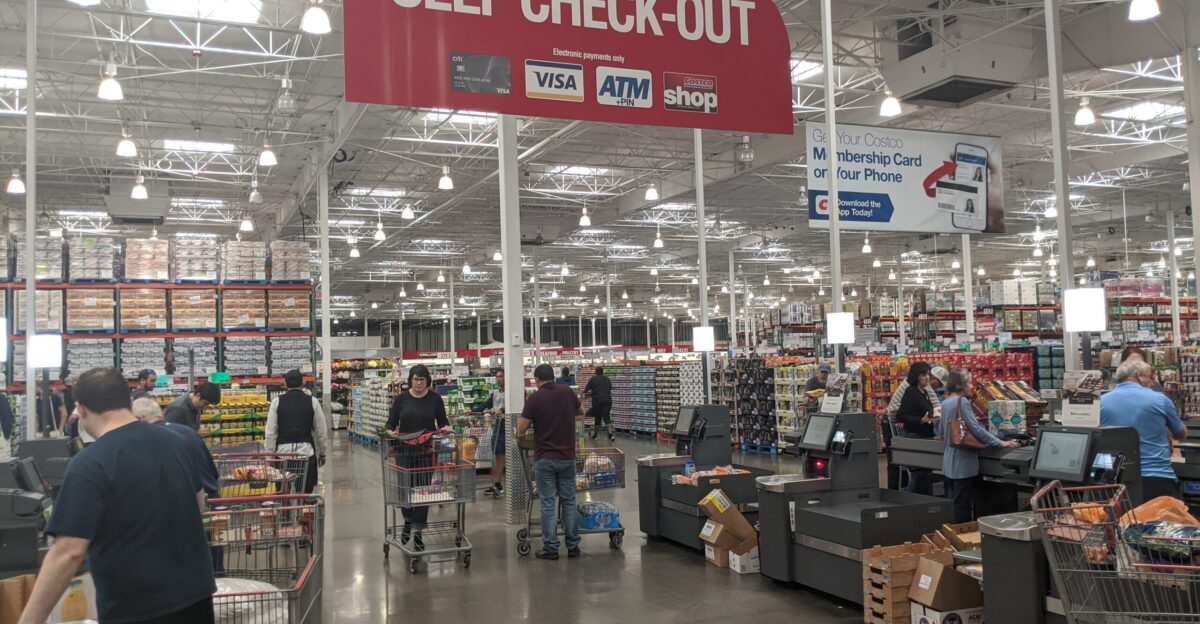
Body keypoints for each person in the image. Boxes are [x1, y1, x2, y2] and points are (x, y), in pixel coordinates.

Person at [18, 368, 215, 624]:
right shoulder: (180, 441)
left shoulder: (88, 463)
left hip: (136, 606)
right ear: (130, 402)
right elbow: (198, 503)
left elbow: (68, 552)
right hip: (196, 595)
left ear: (82, 410)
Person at [518, 364, 583, 560]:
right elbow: (582, 412)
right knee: (569, 502)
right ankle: (573, 546)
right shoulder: (567, 393)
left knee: (547, 503)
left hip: (545, 458)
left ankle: (551, 548)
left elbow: (521, 427)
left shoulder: (534, 398)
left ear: (537, 380)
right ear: (553, 377)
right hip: (567, 457)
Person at [937, 370, 1020, 522]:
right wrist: (1000, 442)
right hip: (963, 463)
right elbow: (976, 429)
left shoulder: (946, 402)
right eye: (968, 382)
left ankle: (953, 535)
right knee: (963, 505)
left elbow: (941, 430)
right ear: (960, 385)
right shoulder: (962, 402)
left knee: (954, 503)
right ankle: (963, 536)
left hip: (948, 462)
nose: (971, 386)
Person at [1100, 360, 1188, 503]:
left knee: (1120, 523)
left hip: (1114, 478)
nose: (1152, 383)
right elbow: (1180, 433)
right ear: (1140, 376)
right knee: (1164, 524)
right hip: (1156, 477)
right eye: (1150, 377)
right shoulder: (1160, 400)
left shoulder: (1102, 401)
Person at [385, 364, 451, 549]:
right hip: (404, 451)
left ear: (427, 381)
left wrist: (446, 428)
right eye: (416, 379)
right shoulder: (401, 399)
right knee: (405, 489)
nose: (419, 383)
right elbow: (390, 423)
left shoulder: (435, 399)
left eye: (422, 380)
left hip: (426, 452)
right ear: (410, 380)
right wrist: (388, 432)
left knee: (422, 492)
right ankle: (408, 521)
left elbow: (443, 421)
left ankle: (418, 532)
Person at [133, 397, 219, 499]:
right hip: (209, 493)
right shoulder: (189, 432)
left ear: (140, 418)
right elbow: (211, 467)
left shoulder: (148, 438)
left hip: (182, 498)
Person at [265, 370, 329, 494]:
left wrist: (269, 456)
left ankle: (286, 512)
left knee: (283, 494)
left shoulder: (276, 402)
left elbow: (270, 433)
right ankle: (304, 508)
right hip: (305, 454)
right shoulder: (313, 402)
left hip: (282, 455)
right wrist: (322, 453)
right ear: (303, 383)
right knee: (305, 492)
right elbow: (321, 430)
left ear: (285, 384)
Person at [897, 362, 939, 495]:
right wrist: (921, 420)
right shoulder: (911, 392)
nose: (927, 378)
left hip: (925, 436)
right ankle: (908, 506)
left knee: (924, 474)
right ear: (916, 376)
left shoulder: (924, 392)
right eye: (923, 375)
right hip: (915, 437)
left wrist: (932, 419)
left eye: (928, 374)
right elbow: (901, 416)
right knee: (918, 475)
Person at [479, 369, 507, 496]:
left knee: (509, 457)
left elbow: (514, 405)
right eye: (497, 377)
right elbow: (485, 405)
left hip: (508, 426)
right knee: (497, 455)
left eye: (501, 376)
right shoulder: (495, 393)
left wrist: (501, 410)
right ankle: (497, 484)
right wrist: (472, 411)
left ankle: (499, 484)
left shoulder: (512, 391)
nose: (498, 379)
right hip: (498, 426)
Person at [583, 365, 613, 441]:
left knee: (598, 417)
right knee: (606, 417)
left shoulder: (593, 379)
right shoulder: (607, 379)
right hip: (607, 400)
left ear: (596, 372)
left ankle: (595, 435)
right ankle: (611, 435)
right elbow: (610, 388)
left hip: (597, 401)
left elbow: (586, 390)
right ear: (602, 372)